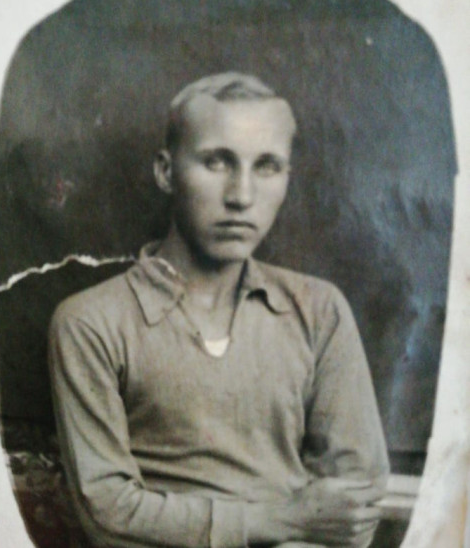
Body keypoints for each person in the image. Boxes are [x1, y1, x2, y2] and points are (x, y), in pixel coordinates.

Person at [49, 72, 390, 548]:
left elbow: (355, 507)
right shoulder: (91, 322)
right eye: (216, 161)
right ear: (166, 172)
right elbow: (108, 514)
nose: (241, 196)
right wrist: (283, 520)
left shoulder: (319, 309)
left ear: (287, 178)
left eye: (267, 166)